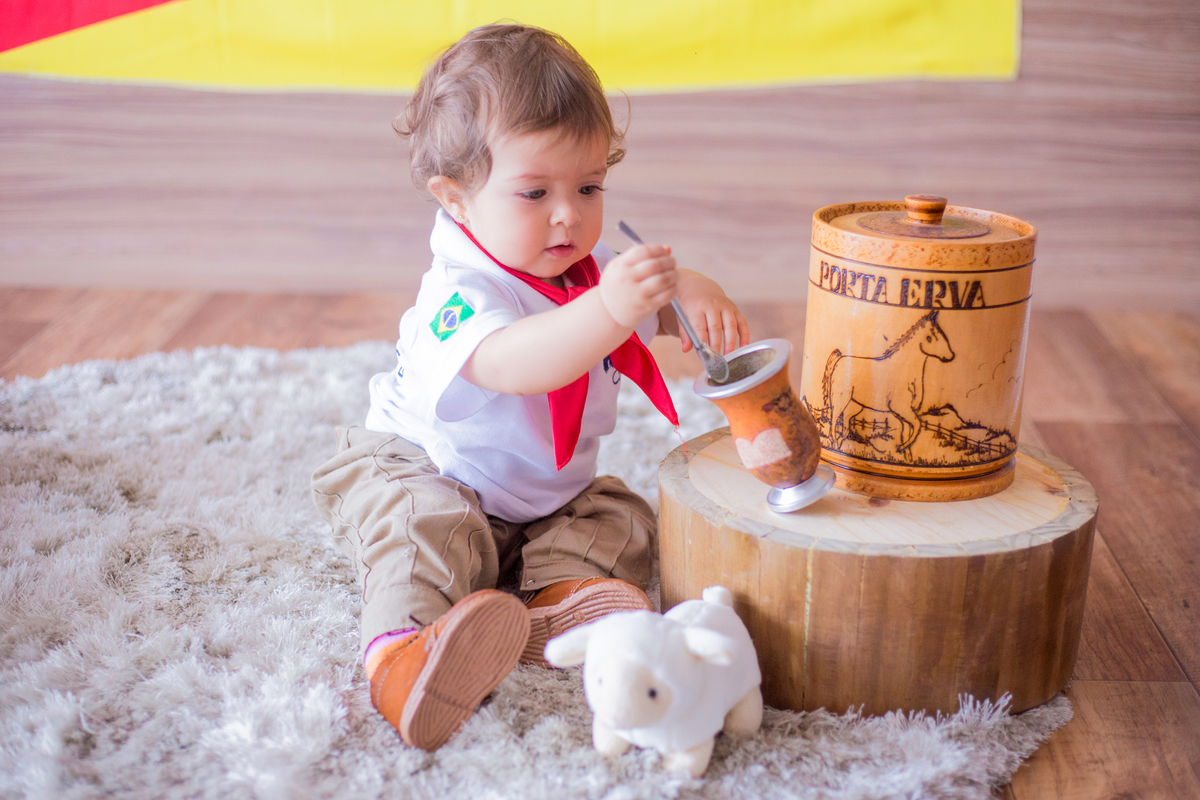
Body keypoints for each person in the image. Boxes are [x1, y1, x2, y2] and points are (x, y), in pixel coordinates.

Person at [311, 23, 749, 752]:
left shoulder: (581, 261)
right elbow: (520, 363)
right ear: (456, 198)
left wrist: (689, 292)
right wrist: (612, 308)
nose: (568, 214)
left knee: (621, 516)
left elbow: (635, 298)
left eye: (589, 186)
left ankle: (559, 599)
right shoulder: (459, 291)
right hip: (427, 467)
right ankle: (402, 660)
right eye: (534, 192)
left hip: (541, 492)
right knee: (426, 532)